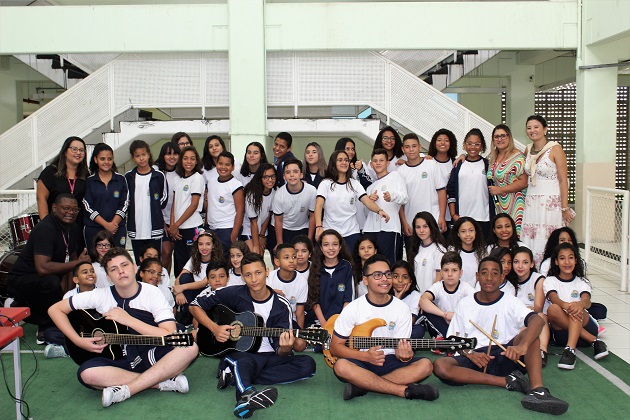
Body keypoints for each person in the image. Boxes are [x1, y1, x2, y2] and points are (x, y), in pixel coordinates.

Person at [48, 248, 198, 408]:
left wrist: (129, 320)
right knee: (86, 373)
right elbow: (55, 309)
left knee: (189, 347)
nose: (121, 271)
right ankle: (160, 381)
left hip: (151, 352)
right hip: (118, 358)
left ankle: (127, 390)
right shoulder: (101, 295)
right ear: (108, 276)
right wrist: (78, 341)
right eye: (114, 269)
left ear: (134, 267)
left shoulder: (152, 293)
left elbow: (169, 333)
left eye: (124, 265)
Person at [432, 256, 569, 416]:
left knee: (529, 334)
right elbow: (452, 341)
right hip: (476, 358)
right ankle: (507, 381)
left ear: (502, 276)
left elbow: (537, 321)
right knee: (440, 366)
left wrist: (521, 347)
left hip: (507, 355)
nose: (489, 278)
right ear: (477, 276)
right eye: (484, 273)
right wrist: (469, 354)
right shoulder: (465, 303)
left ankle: (538, 390)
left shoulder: (511, 301)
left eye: (494, 273)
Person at [189, 252, 316, 419]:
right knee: (243, 360)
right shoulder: (233, 293)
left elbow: (280, 350)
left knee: (308, 364)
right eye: (248, 275)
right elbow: (194, 305)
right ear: (242, 276)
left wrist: (285, 348)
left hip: (271, 357)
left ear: (267, 272)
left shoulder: (281, 305)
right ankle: (246, 395)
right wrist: (214, 328)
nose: (254, 279)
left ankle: (235, 375)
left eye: (258, 273)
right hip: (242, 354)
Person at [330, 254, 439, 402]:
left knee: (426, 365)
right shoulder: (353, 308)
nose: (384, 279)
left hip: (391, 361)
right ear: (365, 280)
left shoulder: (402, 308)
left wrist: (404, 355)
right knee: (341, 366)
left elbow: (401, 351)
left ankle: (363, 385)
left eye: (388, 274)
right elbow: (335, 347)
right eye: (377, 275)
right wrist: (366, 356)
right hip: (361, 361)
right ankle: (403, 390)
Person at [8, 193, 91, 344]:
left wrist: (67, 300)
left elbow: (71, 260)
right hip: (21, 280)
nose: (71, 212)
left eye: (75, 209)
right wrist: (78, 263)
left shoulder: (73, 227)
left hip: (46, 277)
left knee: (58, 280)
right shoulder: (45, 229)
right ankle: (44, 329)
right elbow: (43, 268)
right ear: (54, 208)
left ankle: (55, 319)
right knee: (51, 282)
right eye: (66, 208)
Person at [544, 243, 608, 370]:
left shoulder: (581, 282)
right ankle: (595, 341)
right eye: (562, 258)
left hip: (586, 325)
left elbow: (587, 301)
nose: (567, 262)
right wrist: (567, 306)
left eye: (571, 257)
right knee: (553, 309)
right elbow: (554, 298)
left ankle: (570, 350)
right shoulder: (550, 280)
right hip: (563, 334)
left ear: (576, 260)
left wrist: (579, 304)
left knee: (577, 309)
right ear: (556, 262)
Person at [521, 115, 574, 266]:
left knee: (548, 238)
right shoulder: (528, 149)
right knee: (531, 239)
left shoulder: (555, 148)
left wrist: (564, 207)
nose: (532, 130)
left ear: (545, 129)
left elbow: (564, 180)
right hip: (532, 202)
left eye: (536, 127)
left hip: (550, 203)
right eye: (529, 127)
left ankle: (550, 271)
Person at [315, 150, 389, 251]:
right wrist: (318, 226)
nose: (344, 163)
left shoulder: (354, 183)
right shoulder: (325, 184)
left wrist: (379, 210)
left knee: (352, 264)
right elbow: (319, 205)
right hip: (330, 230)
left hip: (352, 232)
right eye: (340, 160)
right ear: (333, 163)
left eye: (346, 160)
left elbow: (367, 201)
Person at [37, 136, 89, 249]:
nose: (78, 153)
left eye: (81, 150)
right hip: (54, 224)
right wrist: (46, 225)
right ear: (65, 151)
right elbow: (41, 198)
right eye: (74, 149)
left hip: (77, 227)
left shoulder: (86, 175)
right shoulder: (50, 172)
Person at [398, 133, 447, 251]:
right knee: (414, 261)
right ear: (403, 149)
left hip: (433, 221)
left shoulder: (432, 165)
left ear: (420, 147)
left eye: (414, 146)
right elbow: (399, 202)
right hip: (412, 225)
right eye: (407, 147)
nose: (411, 150)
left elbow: (441, 192)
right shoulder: (400, 171)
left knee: (437, 258)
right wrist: (404, 223)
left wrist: (442, 216)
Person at [125, 140, 168, 263]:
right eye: (137, 156)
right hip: (136, 228)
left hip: (154, 228)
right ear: (133, 158)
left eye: (143, 154)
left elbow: (164, 198)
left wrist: (154, 207)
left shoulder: (158, 175)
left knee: (154, 262)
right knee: (140, 263)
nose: (141, 158)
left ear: (149, 154)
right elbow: (126, 200)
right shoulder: (129, 177)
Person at [43, 261, 97, 359]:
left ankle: (65, 350)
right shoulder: (69, 295)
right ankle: (76, 348)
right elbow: (66, 319)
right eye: (85, 272)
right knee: (49, 333)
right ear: (76, 279)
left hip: (96, 330)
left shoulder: (102, 292)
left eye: (92, 271)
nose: (90, 274)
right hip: (76, 331)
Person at [447, 129, 494, 239]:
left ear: (482, 147)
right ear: (464, 145)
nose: (473, 147)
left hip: (483, 217)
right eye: (469, 144)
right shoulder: (458, 165)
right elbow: (451, 191)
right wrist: (454, 215)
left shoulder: (488, 164)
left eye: (477, 144)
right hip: (463, 217)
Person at [363, 148, 408, 263]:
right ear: (371, 165)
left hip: (390, 228)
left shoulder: (395, 176)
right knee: (372, 264)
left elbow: (405, 197)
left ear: (387, 163)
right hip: (370, 230)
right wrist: (370, 201)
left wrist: (392, 196)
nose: (378, 163)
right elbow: (366, 213)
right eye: (375, 161)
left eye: (381, 160)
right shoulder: (370, 188)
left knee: (389, 264)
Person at [419, 252, 475, 339]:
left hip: (461, 324)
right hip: (443, 324)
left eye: (454, 270)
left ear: (461, 273)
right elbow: (423, 300)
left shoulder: (466, 288)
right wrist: (444, 315)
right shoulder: (438, 286)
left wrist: (455, 316)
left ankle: (450, 342)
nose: (449, 274)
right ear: (441, 272)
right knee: (426, 310)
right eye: (446, 270)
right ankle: (445, 340)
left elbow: (477, 305)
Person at [510, 246, 550, 367]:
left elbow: (538, 307)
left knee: (540, 316)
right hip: (518, 319)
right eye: (516, 262)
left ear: (532, 264)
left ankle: (542, 351)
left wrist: (523, 309)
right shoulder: (510, 281)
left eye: (525, 262)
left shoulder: (538, 279)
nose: (520, 266)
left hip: (533, 318)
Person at [83, 143, 128, 249]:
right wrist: (106, 225)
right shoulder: (89, 181)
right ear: (95, 159)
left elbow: (125, 203)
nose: (106, 162)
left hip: (117, 228)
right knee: (95, 262)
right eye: (102, 159)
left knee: (117, 260)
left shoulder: (121, 179)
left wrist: (113, 224)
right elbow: (87, 206)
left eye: (109, 159)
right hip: (94, 228)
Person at [305, 229, 354, 328]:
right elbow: (314, 300)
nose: (331, 248)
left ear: (340, 247)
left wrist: (340, 321)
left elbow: (348, 298)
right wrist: (325, 325)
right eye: (326, 245)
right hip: (319, 321)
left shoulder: (346, 266)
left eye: (335, 244)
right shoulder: (315, 267)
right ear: (321, 248)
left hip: (342, 320)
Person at [169, 146, 205, 277]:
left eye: (192, 158)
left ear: (196, 161)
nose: (188, 161)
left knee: (192, 264)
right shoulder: (177, 179)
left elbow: (194, 205)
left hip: (192, 227)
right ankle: (180, 293)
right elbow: (174, 204)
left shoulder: (197, 178)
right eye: (185, 158)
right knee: (179, 263)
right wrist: (173, 226)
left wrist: (176, 224)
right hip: (177, 230)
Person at [173, 230, 223, 322]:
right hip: (195, 292)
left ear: (213, 246)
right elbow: (179, 278)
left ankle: (193, 315)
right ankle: (187, 314)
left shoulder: (216, 261)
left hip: (208, 292)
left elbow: (205, 282)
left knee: (186, 285)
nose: (204, 247)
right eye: (200, 244)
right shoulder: (194, 259)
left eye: (208, 244)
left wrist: (181, 288)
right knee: (184, 277)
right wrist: (179, 292)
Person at [487, 124, 527, 236]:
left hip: (515, 204)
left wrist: (501, 190)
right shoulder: (492, 156)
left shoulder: (518, 157)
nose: (500, 139)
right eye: (496, 137)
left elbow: (524, 182)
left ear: (509, 137)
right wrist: (463, 156)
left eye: (503, 136)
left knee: (514, 236)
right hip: (499, 205)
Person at [206, 151, 245, 258]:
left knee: (226, 262)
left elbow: (240, 211)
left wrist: (233, 235)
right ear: (216, 165)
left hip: (227, 229)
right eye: (220, 164)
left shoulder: (236, 185)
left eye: (227, 164)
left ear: (233, 167)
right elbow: (210, 204)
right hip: (212, 228)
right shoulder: (211, 182)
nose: (223, 167)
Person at [271, 158, 317, 245]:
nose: (292, 175)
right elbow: (278, 221)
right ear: (284, 176)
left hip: (303, 227)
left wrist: (310, 240)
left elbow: (312, 216)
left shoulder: (311, 191)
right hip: (284, 228)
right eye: (288, 172)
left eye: (295, 172)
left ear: (301, 175)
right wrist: (280, 243)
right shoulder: (279, 194)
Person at [267, 243, 308, 328]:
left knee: (300, 342)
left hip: (290, 319)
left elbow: (299, 312)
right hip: (269, 318)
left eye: (294, 257)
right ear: (277, 261)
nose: (291, 261)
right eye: (286, 257)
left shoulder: (302, 281)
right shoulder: (269, 278)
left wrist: (299, 333)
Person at [154, 141, 180, 273]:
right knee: (165, 251)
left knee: (172, 254)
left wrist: (175, 223)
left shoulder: (181, 173)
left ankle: (167, 286)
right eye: (168, 154)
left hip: (178, 220)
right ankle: (161, 282)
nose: (172, 157)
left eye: (175, 154)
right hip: (161, 220)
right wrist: (162, 221)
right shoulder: (156, 172)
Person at [427, 129, 458, 233]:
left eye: (446, 140)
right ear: (434, 143)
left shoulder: (456, 163)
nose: (443, 143)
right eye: (439, 140)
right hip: (433, 212)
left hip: (452, 212)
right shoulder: (428, 163)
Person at [408, 211, 447, 293]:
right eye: (418, 227)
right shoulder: (415, 248)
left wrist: (428, 296)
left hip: (432, 298)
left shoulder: (439, 249)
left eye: (425, 226)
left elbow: (439, 278)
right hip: (417, 297)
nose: (421, 230)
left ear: (431, 227)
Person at [242, 163, 276, 255]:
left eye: (272, 176)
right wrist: (256, 245)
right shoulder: (252, 194)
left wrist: (262, 235)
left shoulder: (274, 192)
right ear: (260, 178)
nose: (270, 180)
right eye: (266, 177)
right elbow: (253, 222)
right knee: (255, 253)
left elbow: (269, 214)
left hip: (262, 230)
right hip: (248, 229)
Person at [449, 217, 487, 288]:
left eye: (471, 230)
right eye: (463, 231)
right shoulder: (451, 251)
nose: (468, 234)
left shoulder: (483, 252)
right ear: (458, 234)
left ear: (475, 232)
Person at [389, 260, 423, 339]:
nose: (400, 280)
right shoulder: (385, 293)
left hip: (405, 329)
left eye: (405, 277)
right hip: (388, 329)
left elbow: (410, 322)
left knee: (418, 330)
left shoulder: (415, 295)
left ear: (410, 281)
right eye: (396, 277)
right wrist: (396, 300)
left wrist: (398, 301)